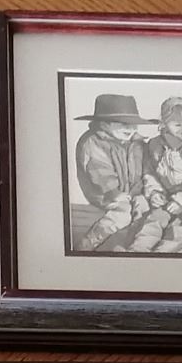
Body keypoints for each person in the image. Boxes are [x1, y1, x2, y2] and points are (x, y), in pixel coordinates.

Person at [129, 96, 182, 253]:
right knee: (152, 222)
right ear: (164, 124)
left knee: (178, 232)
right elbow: (149, 172)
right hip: (166, 198)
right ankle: (137, 251)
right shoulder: (155, 144)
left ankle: (164, 256)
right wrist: (155, 192)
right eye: (178, 125)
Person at [71, 93, 153, 251]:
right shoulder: (93, 142)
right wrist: (114, 193)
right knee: (123, 213)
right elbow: (99, 172)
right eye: (123, 124)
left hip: (131, 192)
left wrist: (142, 192)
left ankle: (133, 246)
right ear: (104, 124)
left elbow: (144, 169)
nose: (130, 129)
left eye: (134, 125)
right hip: (104, 194)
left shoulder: (137, 143)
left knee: (144, 208)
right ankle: (88, 243)